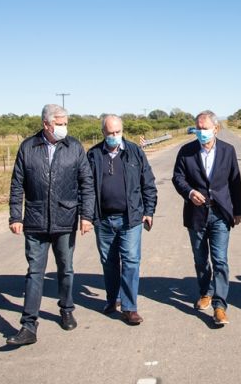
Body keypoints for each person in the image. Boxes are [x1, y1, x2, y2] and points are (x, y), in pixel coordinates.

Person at [6, 104, 96, 346]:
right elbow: (17, 184)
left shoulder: (74, 147)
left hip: (66, 219)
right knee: (35, 272)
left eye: (66, 123)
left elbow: (86, 184)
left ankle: (66, 308)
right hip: (35, 221)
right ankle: (28, 325)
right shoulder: (28, 147)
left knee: (65, 268)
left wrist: (86, 216)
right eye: (59, 123)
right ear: (46, 124)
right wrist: (16, 216)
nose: (63, 127)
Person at [172, 110, 241, 326]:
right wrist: (189, 192)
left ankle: (220, 306)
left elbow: (235, 181)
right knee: (201, 259)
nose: (201, 132)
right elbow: (177, 177)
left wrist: (238, 210)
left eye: (205, 128)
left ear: (216, 129)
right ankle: (206, 292)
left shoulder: (228, 151)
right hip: (196, 214)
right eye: (198, 128)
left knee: (220, 260)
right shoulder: (186, 151)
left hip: (220, 213)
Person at [87, 114, 157, 325]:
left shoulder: (135, 152)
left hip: (131, 218)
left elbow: (149, 183)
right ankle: (112, 299)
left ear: (122, 131)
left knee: (131, 262)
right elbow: (85, 188)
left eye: (118, 132)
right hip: (103, 219)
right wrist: (87, 216)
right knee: (108, 263)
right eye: (110, 133)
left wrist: (149, 210)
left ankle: (129, 307)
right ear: (103, 133)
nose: (114, 136)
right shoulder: (93, 155)